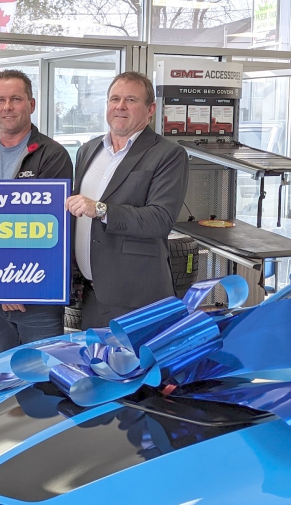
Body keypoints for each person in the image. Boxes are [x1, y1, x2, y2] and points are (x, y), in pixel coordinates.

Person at [65, 71, 189, 330]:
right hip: (91, 294)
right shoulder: (88, 150)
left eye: (131, 100)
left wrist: (100, 209)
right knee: (95, 368)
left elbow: (160, 219)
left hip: (137, 299)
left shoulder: (168, 154)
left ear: (150, 109)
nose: (120, 106)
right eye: (114, 99)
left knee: (139, 370)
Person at [0, 69, 73, 356]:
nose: (7, 107)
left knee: (42, 379)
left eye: (16, 99)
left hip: (35, 292)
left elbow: (49, 227)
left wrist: (17, 281)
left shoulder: (51, 155)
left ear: (31, 104)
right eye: (0, 100)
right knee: (0, 377)